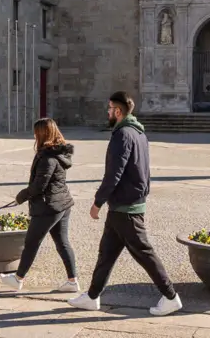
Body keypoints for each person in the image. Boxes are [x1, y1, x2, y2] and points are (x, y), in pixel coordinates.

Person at [69, 91, 181, 315]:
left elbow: (114, 173)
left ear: (118, 111)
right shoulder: (139, 133)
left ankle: (170, 296)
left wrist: (97, 202)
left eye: (110, 109)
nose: (108, 112)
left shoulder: (122, 135)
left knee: (144, 253)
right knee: (106, 254)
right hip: (125, 204)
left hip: (126, 207)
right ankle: (92, 297)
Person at [0, 118, 79, 293]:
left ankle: (18, 279)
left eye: (36, 132)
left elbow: (39, 186)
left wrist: (21, 196)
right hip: (62, 204)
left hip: (48, 206)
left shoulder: (48, 158)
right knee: (62, 242)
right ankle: (73, 281)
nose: (34, 136)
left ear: (42, 134)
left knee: (32, 242)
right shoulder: (58, 153)